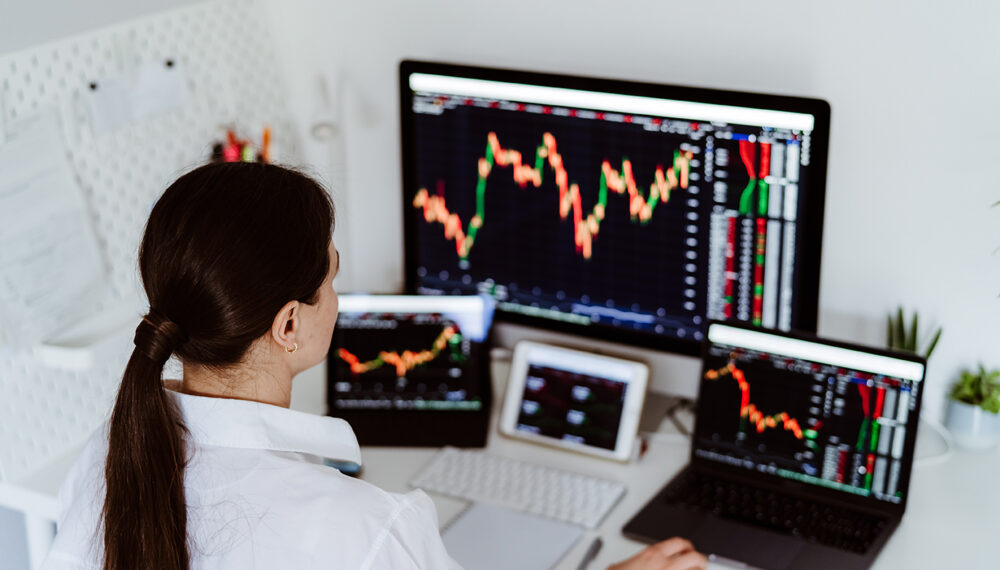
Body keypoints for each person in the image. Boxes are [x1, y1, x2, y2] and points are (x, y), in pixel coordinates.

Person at [41, 162, 707, 570]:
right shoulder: (365, 528)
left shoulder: (107, 456)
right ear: (290, 324)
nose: (339, 295)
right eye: (330, 278)